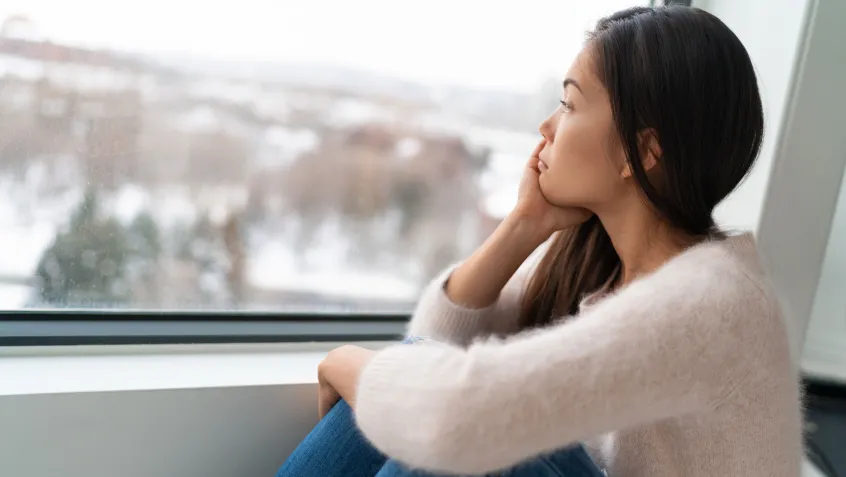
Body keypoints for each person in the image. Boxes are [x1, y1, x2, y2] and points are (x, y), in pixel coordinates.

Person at [277, 5, 802, 477]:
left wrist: (344, 360)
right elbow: (438, 343)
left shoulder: (715, 302)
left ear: (641, 154)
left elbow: (447, 416)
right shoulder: (602, 264)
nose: (546, 126)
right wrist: (525, 224)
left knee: (465, 433)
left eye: (570, 105)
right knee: (417, 385)